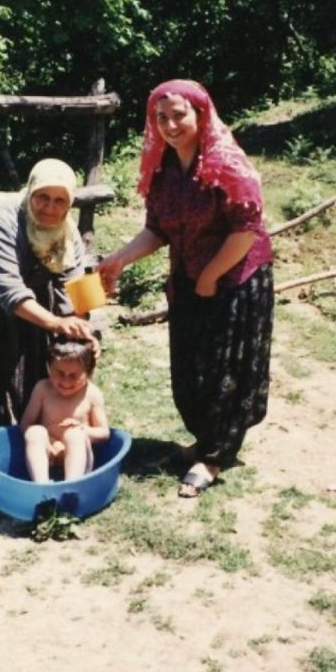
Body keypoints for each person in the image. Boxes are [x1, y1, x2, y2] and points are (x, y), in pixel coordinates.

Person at [99, 79, 274, 497]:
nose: (170, 125)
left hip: (234, 279)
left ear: (201, 114)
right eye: (161, 118)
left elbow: (246, 231)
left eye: (179, 115)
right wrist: (119, 259)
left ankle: (213, 457)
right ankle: (202, 440)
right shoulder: (163, 171)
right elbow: (158, 230)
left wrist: (211, 277)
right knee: (190, 368)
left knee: (223, 370)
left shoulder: (228, 165)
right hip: (189, 279)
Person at [0, 158, 97, 433]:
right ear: (30, 192)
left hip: (33, 278)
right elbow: (9, 290)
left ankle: (39, 414)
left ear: (70, 203)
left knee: (40, 344)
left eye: (60, 201)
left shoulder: (68, 231)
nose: (50, 208)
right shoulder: (3, 221)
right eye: (42, 197)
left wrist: (85, 331)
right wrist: (55, 322)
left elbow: (79, 290)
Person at [20, 338, 109, 482]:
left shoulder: (92, 394)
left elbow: (104, 433)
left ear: (89, 373)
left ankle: (71, 485)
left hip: (79, 459)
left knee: (74, 435)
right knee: (34, 432)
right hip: (48, 453)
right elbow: (25, 425)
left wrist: (82, 429)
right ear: (49, 367)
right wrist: (48, 441)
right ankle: (41, 485)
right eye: (59, 373)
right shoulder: (43, 389)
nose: (66, 381)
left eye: (74, 376)